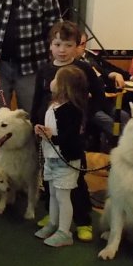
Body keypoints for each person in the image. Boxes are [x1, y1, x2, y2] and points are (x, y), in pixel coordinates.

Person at [31, 21, 103, 242]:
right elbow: (38, 99)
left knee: (75, 180)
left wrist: (84, 118)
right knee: (50, 179)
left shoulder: (83, 69)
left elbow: (99, 96)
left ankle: (82, 220)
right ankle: (54, 218)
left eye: (68, 45)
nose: (62, 50)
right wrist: (35, 122)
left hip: (71, 138)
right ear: (50, 45)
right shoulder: (44, 70)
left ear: (77, 46)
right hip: (48, 135)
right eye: (57, 44)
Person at [33, 65, 89, 247]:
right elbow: (52, 128)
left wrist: (52, 137)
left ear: (64, 86)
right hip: (51, 158)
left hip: (65, 160)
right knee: (53, 193)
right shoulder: (53, 105)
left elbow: (70, 137)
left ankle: (64, 232)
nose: (52, 82)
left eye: (56, 79)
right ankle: (53, 223)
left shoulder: (72, 110)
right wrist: (40, 130)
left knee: (63, 197)